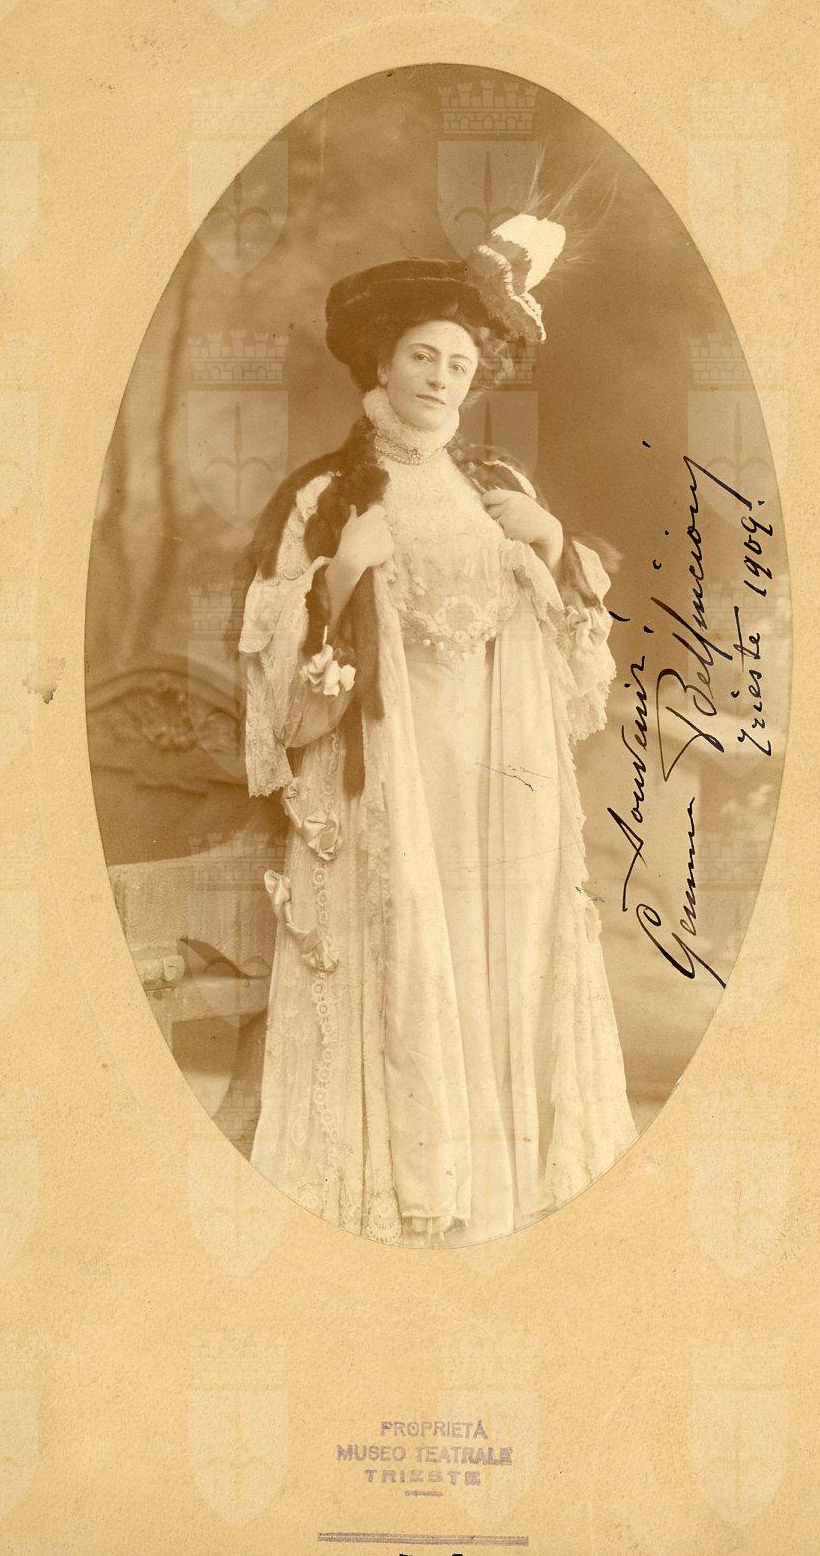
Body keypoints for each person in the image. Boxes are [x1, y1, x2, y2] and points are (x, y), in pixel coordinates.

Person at [237, 214, 638, 1246]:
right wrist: (343, 570)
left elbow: (569, 672)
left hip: (499, 785)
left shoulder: (496, 487)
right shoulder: (325, 496)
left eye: (458, 363)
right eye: (423, 356)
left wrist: (552, 545)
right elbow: (277, 672)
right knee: (409, 953)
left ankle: (495, 1178)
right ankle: (412, 1180)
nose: (440, 378)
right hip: (389, 779)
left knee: (498, 959)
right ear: (384, 361)